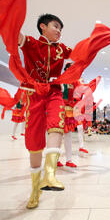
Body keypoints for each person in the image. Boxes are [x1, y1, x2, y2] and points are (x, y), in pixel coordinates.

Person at [18, 13, 72, 209]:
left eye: (60, 28)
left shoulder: (62, 49)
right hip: (34, 93)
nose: (59, 31)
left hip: (54, 91)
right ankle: (34, 189)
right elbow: (14, 35)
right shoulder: (31, 43)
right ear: (43, 26)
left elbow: (79, 55)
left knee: (57, 124)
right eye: (55, 26)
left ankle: (50, 174)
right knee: (34, 140)